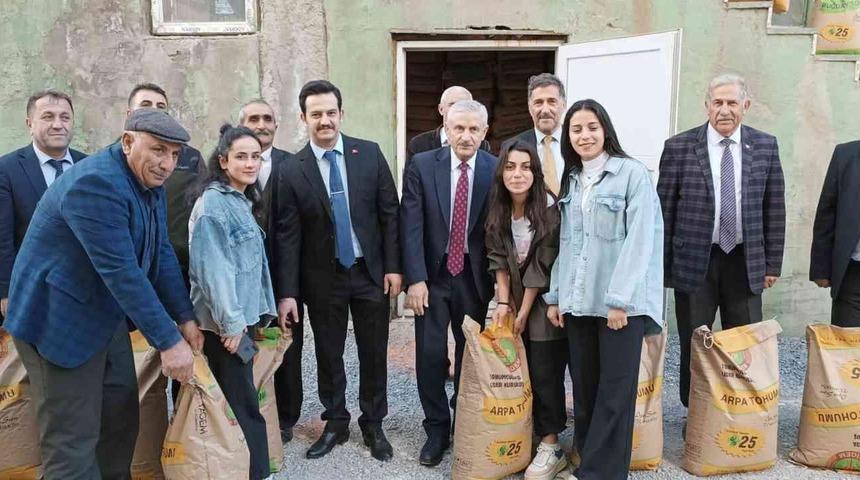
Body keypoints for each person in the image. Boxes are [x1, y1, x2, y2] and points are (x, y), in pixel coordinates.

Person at [3, 108, 203, 479]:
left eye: (174, 154)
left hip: (100, 315)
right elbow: (121, 271)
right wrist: (169, 342)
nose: (166, 164)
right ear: (127, 142)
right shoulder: (95, 185)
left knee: (119, 420)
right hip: (56, 324)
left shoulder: (148, 183)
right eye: (158, 150)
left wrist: (185, 318)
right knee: (73, 444)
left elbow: (159, 252)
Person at [272, 80, 401, 461]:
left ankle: (373, 423)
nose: (324, 120)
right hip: (322, 280)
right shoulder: (292, 169)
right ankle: (336, 422)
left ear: (341, 114)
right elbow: (287, 236)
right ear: (303, 118)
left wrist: (394, 268)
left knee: (373, 351)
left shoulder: (369, 154)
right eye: (316, 114)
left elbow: (389, 215)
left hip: (369, 273)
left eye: (331, 113)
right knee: (329, 352)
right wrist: (289, 292)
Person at [545, 99, 663, 480]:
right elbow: (567, 241)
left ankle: (600, 474)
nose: (585, 135)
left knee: (615, 392)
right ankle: (589, 462)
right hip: (580, 303)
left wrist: (620, 300)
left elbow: (641, 240)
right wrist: (557, 295)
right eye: (576, 129)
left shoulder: (632, 174)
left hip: (618, 307)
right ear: (569, 137)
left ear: (605, 130)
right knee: (586, 387)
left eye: (592, 127)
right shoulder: (573, 178)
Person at [657, 73, 785, 411]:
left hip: (745, 262)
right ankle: (697, 413)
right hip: (695, 263)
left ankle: (739, 409)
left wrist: (772, 264)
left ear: (746, 106)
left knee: (743, 343)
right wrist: (663, 268)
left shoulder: (765, 146)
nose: (724, 110)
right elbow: (664, 211)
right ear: (707, 106)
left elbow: (774, 208)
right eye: (718, 102)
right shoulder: (680, 147)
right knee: (695, 342)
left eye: (731, 102)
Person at [401, 99, 498, 467]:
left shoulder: (495, 167)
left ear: (484, 133)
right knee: (429, 354)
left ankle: (465, 421)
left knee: (469, 355)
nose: (466, 135)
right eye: (459, 128)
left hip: (474, 281)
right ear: (446, 126)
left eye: (474, 129)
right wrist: (416, 279)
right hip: (433, 278)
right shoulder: (424, 165)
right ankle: (437, 428)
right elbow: (410, 224)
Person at [188, 124, 282, 480]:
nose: (250, 163)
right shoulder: (214, 204)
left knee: (239, 403)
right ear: (223, 161)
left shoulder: (239, 200)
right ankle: (255, 474)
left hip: (238, 321)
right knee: (243, 408)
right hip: (224, 327)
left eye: (255, 157)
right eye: (241, 156)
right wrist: (231, 327)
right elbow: (214, 271)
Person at [485, 140, 565, 480]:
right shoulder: (499, 208)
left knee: (545, 370)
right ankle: (524, 433)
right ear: (502, 171)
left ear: (536, 172)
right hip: (513, 297)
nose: (517, 174)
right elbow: (498, 258)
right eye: (511, 167)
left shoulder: (549, 207)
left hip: (545, 300)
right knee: (516, 368)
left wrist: (522, 309)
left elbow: (542, 267)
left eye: (525, 167)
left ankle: (551, 443)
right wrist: (504, 302)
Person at [238, 98, 303, 442]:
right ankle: (249, 410)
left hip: (284, 275)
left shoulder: (293, 165)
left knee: (287, 347)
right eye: (252, 118)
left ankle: (287, 417)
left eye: (267, 119)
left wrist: (290, 285)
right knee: (244, 345)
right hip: (241, 278)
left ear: (276, 125)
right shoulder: (226, 167)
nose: (260, 124)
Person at [0, 90, 86, 320]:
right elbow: (3, 239)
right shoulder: (7, 170)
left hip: (86, 293)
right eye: (48, 117)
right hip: (32, 294)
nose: (58, 124)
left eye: (65, 117)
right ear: (30, 123)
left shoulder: (89, 166)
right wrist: (6, 292)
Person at [126, 82, 205, 286]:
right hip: (133, 265)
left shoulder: (191, 157)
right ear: (129, 114)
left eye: (161, 107)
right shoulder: (114, 160)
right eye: (146, 104)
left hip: (178, 265)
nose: (154, 111)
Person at [810, 140, 860, 326]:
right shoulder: (846, 154)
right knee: (846, 348)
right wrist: (821, 268)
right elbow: (827, 212)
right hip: (852, 274)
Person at [404, 86, 491, 183]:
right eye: (452, 105)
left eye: (464, 105)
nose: (459, 110)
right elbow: (410, 187)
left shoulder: (481, 146)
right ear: (441, 109)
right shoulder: (419, 144)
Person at [502, 73, 567, 196]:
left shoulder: (577, 142)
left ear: (563, 105)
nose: (545, 110)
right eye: (538, 103)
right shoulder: (512, 146)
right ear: (529, 107)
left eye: (552, 102)